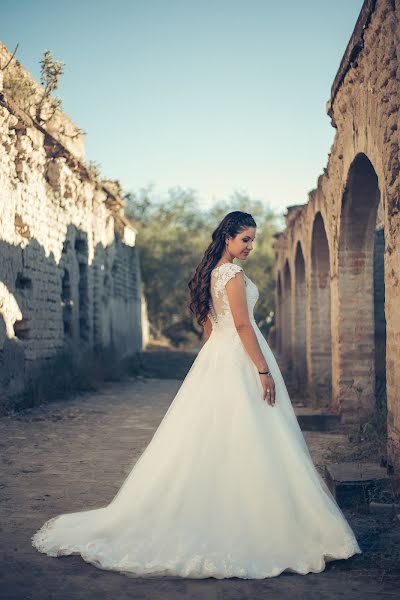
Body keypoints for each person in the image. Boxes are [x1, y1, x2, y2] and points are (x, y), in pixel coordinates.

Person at [31, 210, 362, 579]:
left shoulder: (210, 276)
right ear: (228, 238)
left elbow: (210, 331)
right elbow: (239, 325)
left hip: (220, 359)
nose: (250, 246)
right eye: (245, 239)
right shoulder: (232, 275)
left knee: (219, 438)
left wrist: (209, 367)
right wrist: (263, 370)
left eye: (253, 239)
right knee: (252, 436)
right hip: (240, 359)